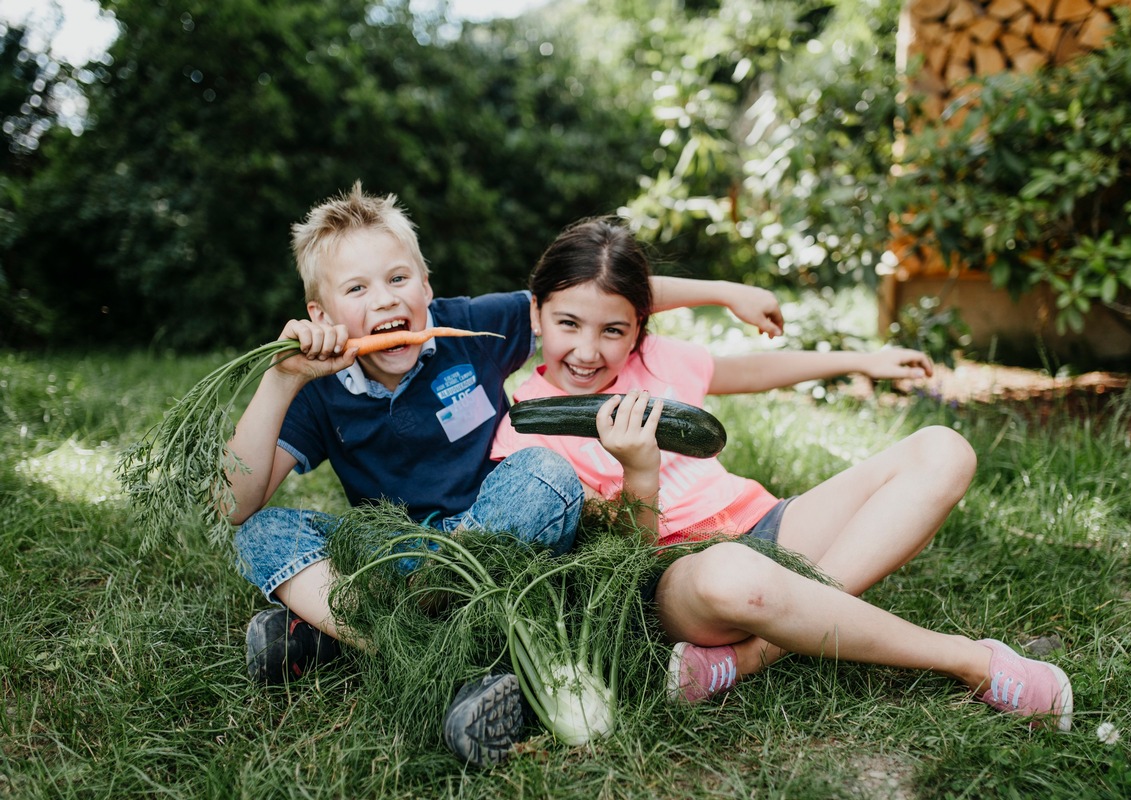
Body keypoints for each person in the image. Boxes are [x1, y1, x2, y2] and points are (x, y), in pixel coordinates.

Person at [222, 184, 786, 767]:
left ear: (426, 287)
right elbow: (236, 503)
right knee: (259, 532)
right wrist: (282, 379)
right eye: (356, 288)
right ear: (322, 314)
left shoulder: (472, 327)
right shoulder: (315, 389)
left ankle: (351, 637)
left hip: (502, 535)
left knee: (545, 473)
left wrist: (726, 293)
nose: (385, 300)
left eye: (398, 279)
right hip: (397, 560)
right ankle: (427, 649)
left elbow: (600, 296)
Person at [491, 217, 1074, 731]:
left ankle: (748, 658)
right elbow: (619, 565)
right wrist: (640, 473)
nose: (588, 350)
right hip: (678, 577)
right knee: (731, 576)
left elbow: (752, 368)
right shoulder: (527, 426)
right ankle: (968, 659)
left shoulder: (652, 359)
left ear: (638, 329)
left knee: (944, 449)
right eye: (568, 324)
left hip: (766, 524)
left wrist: (861, 361)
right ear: (535, 313)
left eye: (612, 331)